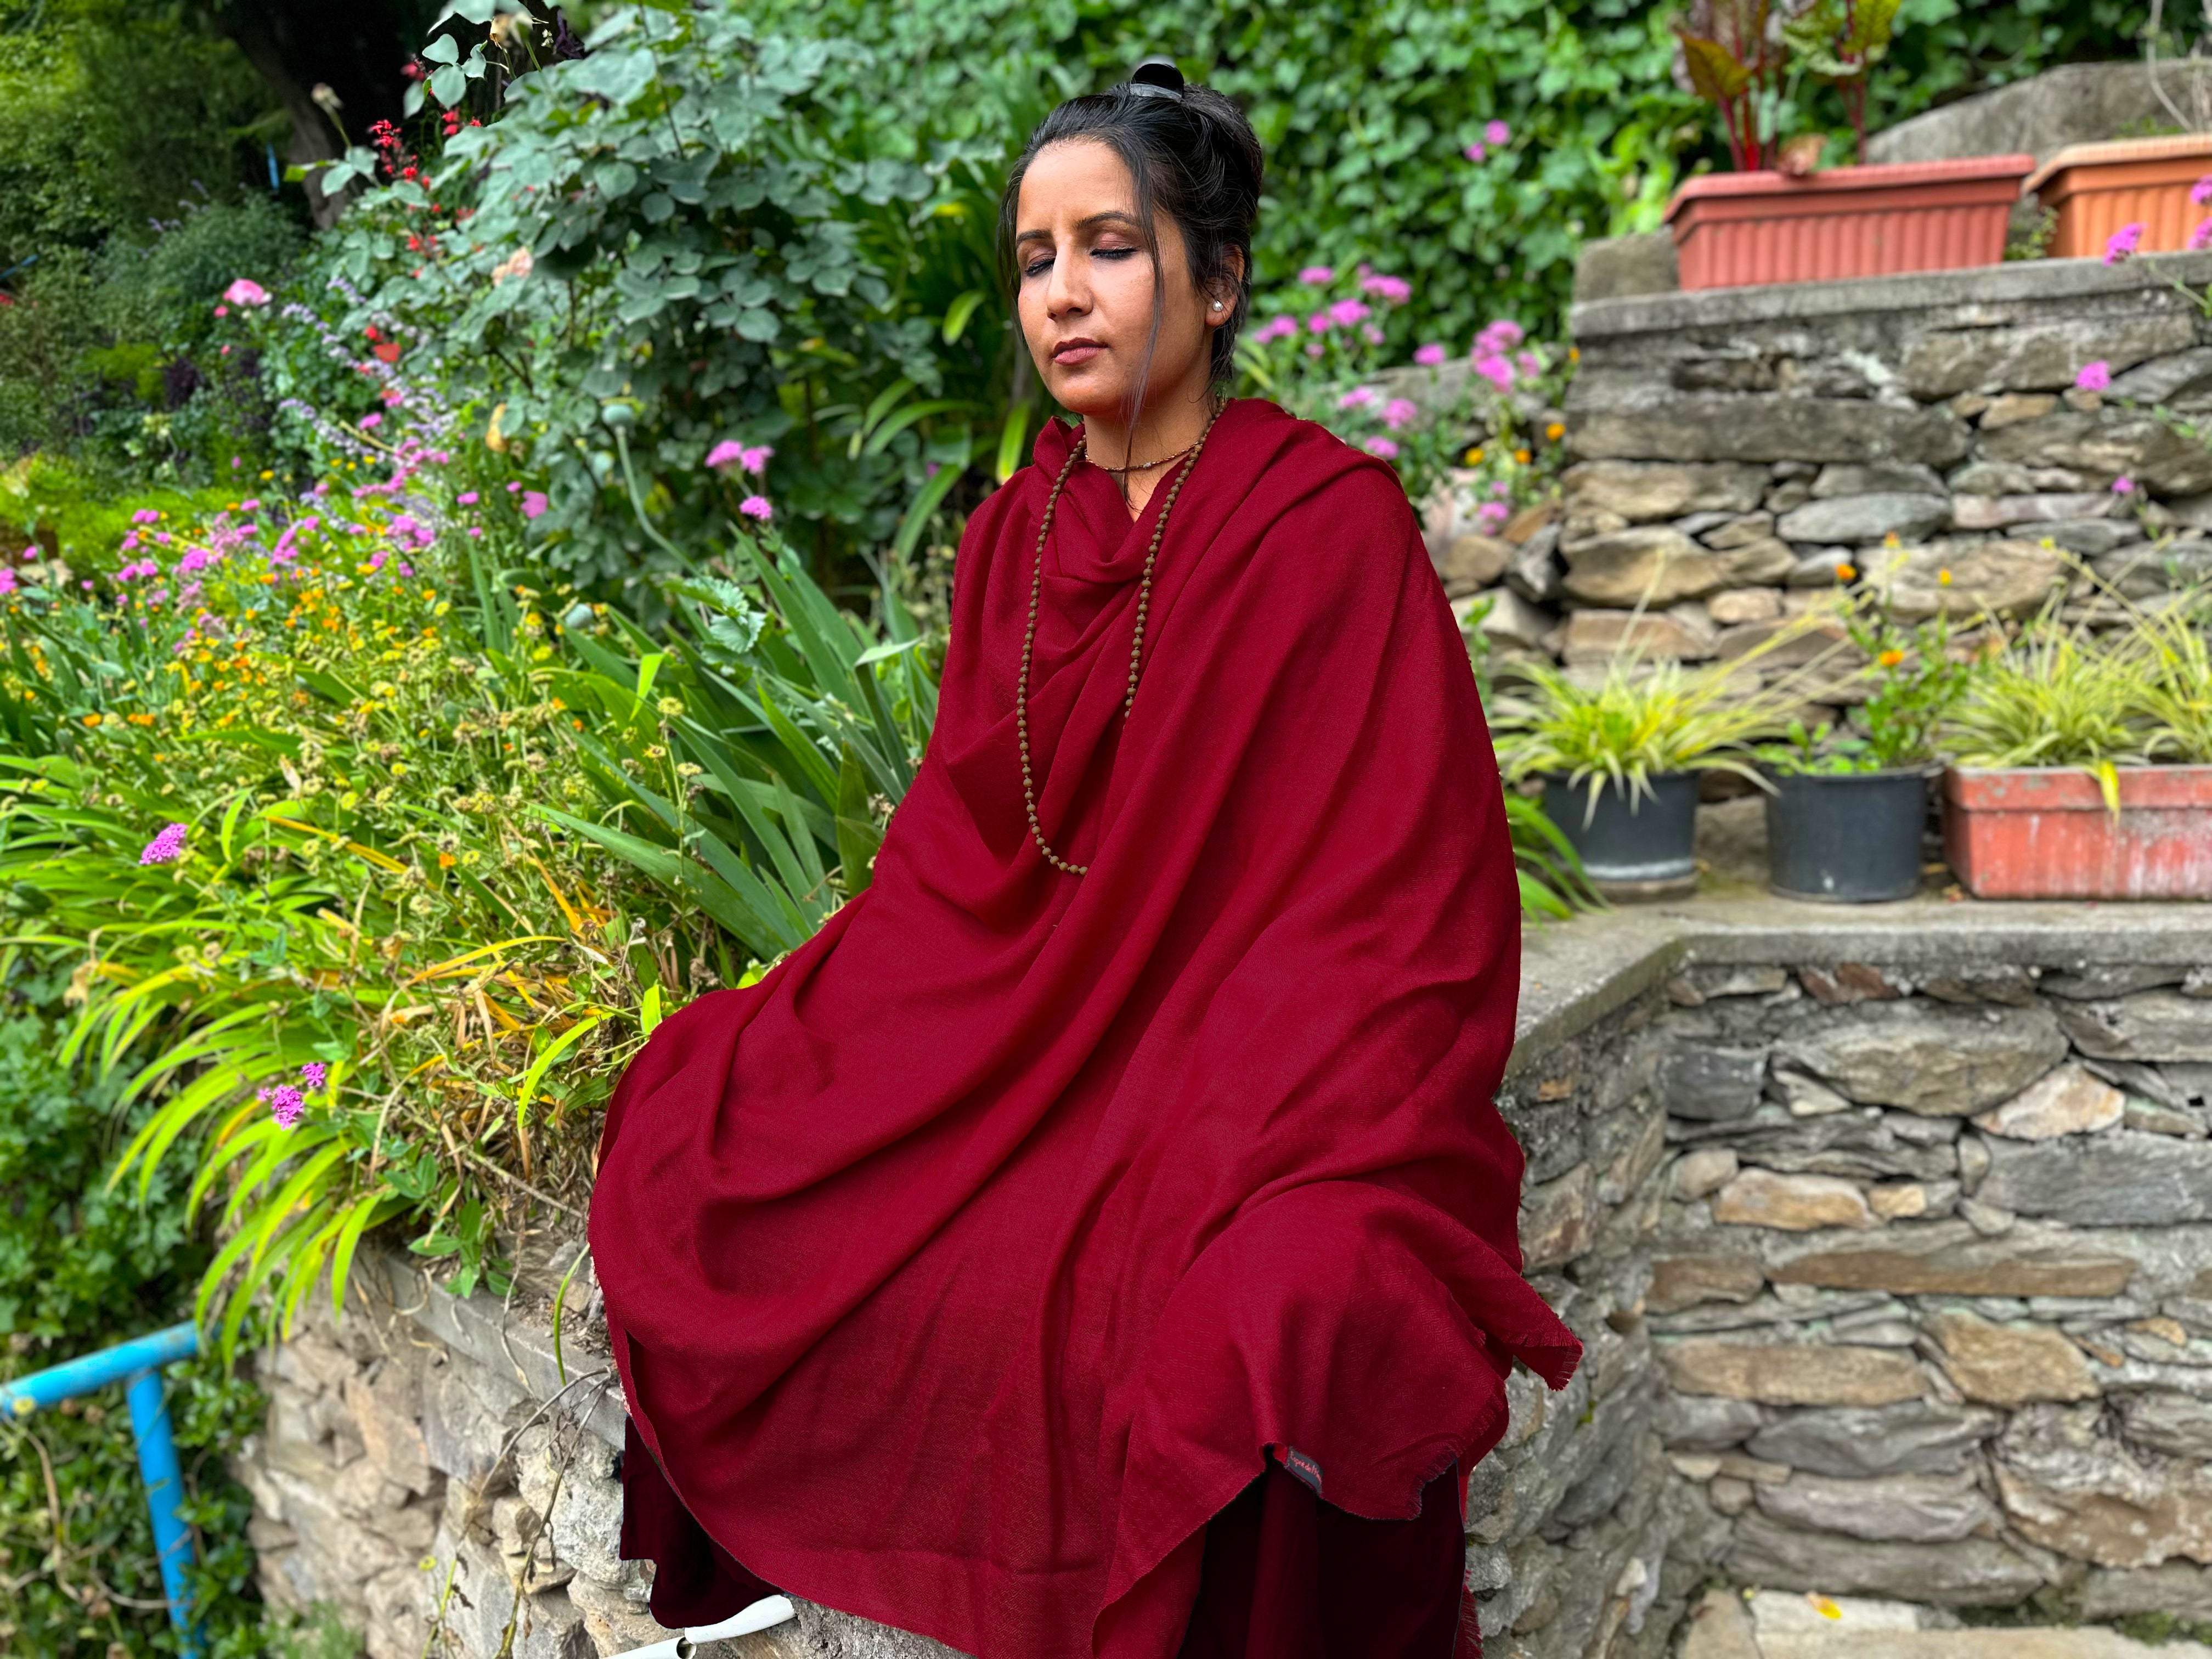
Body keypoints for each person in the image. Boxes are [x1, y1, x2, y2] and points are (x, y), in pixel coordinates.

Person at [588, 58, 1582, 1659]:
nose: (1064, 292)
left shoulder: (1325, 529)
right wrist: (854, 1026)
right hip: (1017, 1035)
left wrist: (1218, 1107)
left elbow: (1402, 910)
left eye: (1111, 247)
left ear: (1220, 277)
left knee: (1269, 1303)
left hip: (1257, 1060)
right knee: (711, 1132)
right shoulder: (1013, 536)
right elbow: (957, 872)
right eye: (1036, 258)